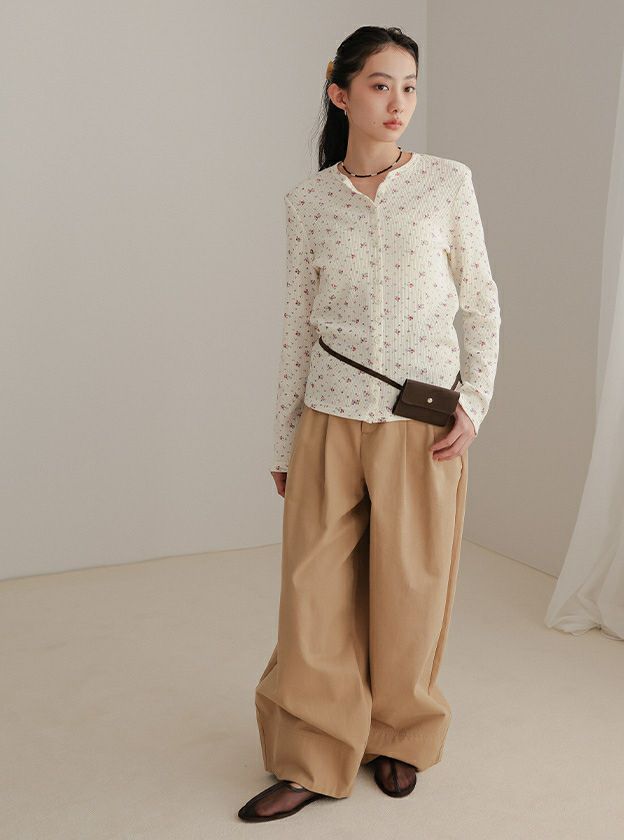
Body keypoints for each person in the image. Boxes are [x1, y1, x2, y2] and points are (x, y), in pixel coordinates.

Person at [238, 24, 501, 823]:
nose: (398, 102)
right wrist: (282, 438)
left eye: (409, 86)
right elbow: (296, 325)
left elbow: (481, 302)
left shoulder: (447, 183)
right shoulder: (308, 202)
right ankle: (312, 754)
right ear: (340, 93)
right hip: (327, 418)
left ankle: (397, 736)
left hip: (421, 425)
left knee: (410, 590)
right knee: (312, 596)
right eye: (381, 85)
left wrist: (475, 402)